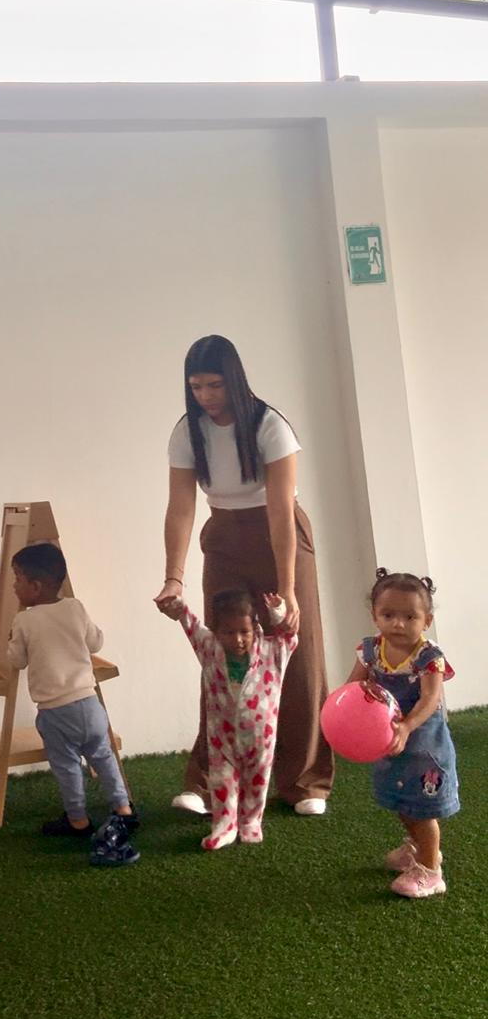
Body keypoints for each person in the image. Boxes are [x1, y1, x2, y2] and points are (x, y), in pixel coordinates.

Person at [156, 334, 333, 816]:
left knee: (296, 651)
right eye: (196, 387)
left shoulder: (270, 426)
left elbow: (280, 511)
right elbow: (180, 507)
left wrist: (288, 590)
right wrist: (174, 577)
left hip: (280, 534)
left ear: (234, 380)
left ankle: (305, 782)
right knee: (223, 654)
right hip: (224, 535)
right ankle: (208, 782)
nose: (206, 396)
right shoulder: (187, 431)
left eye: (215, 385)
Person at [6, 542, 139, 866]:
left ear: (35, 587)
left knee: (66, 765)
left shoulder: (24, 620)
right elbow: (95, 641)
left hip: (55, 711)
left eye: (18, 579)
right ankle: (123, 808)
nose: (14, 586)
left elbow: (17, 660)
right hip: (89, 704)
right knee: (103, 755)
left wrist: (10, 642)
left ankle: (78, 819)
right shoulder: (75, 608)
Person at [345, 569, 459, 899]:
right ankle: (416, 848)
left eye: (410, 617)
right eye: (388, 615)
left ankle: (431, 869)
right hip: (390, 738)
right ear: (375, 615)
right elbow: (355, 686)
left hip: (423, 743)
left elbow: (430, 699)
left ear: (427, 621)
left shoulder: (429, 657)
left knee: (422, 808)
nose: (398, 623)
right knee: (401, 800)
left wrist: (407, 726)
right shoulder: (370, 650)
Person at [158, 589, 297, 848]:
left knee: (257, 783)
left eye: (244, 632)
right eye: (229, 632)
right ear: (216, 632)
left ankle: (250, 821)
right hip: (222, 738)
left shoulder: (271, 652)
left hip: (261, 739)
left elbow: (289, 639)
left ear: (255, 628)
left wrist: (278, 614)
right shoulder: (210, 649)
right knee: (222, 781)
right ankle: (224, 825)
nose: (238, 639)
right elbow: (192, 626)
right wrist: (177, 606)